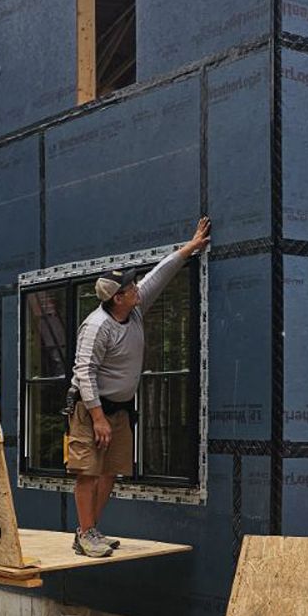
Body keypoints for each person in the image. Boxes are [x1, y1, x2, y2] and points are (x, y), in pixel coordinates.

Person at [66, 217, 211, 556]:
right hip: (90, 410)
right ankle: (85, 533)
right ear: (117, 298)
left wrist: (189, 248)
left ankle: (90, 532)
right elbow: (84, 371)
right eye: (130, 288)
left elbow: (159, 274)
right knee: (88, 472)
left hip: (118, 409)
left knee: (110, 472)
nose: (137, 289)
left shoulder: (133, 310)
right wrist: (98, 417)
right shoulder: (97, 327)